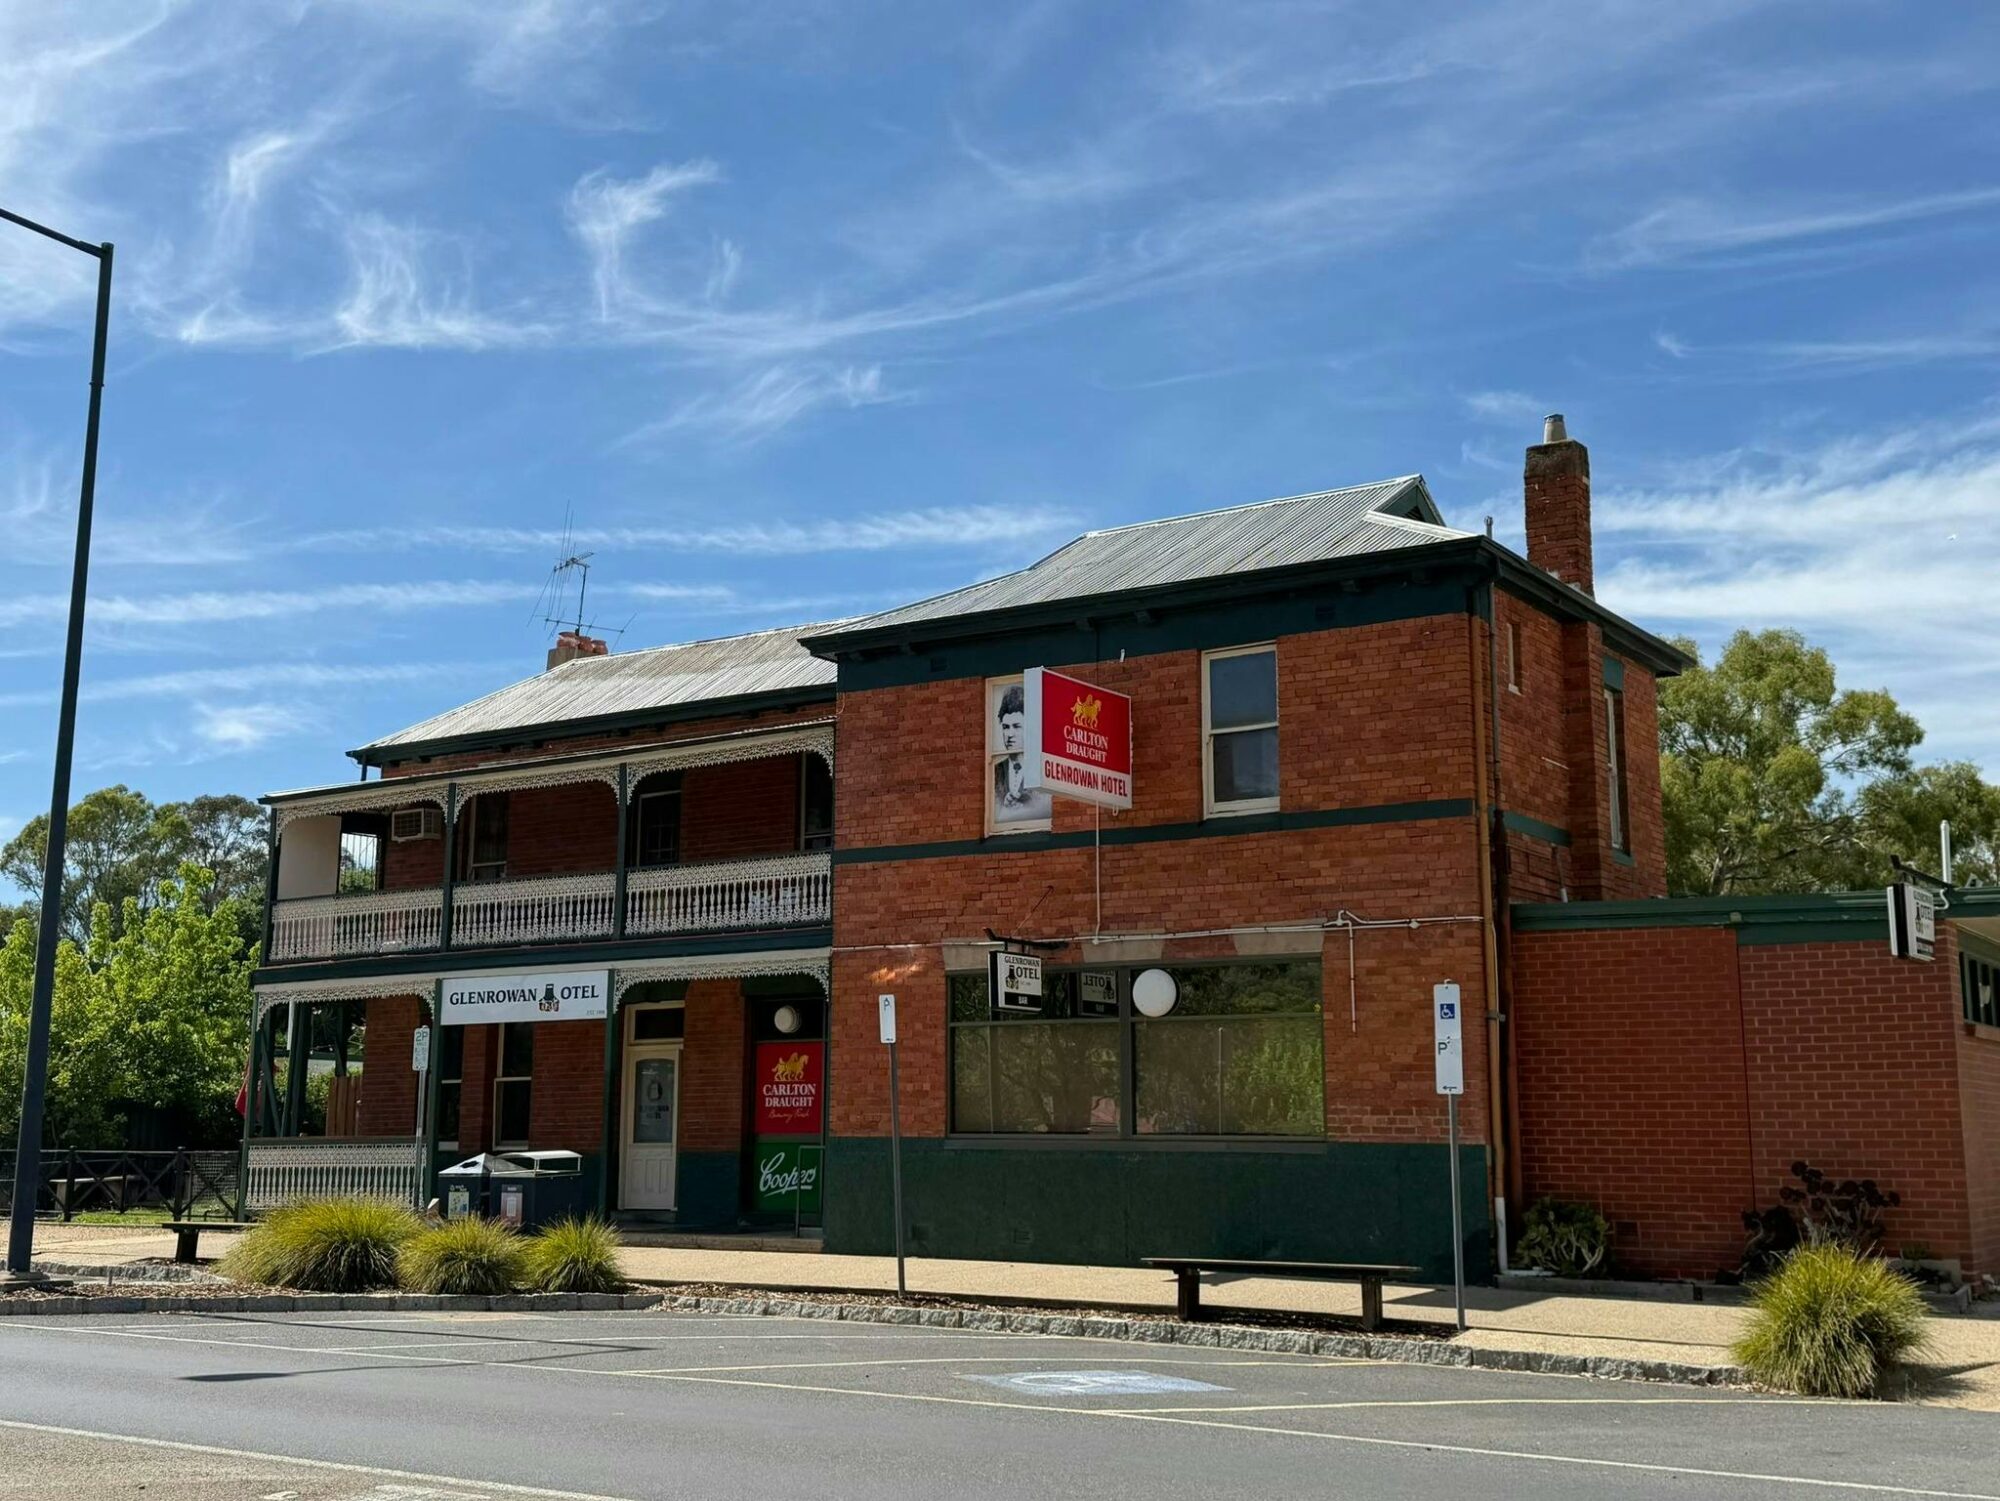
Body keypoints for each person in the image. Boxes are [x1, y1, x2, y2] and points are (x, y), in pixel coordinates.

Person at [991, 682, 1052, 826]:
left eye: (1017, 727)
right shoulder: (996, 770)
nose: (1010, 734)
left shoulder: (1043, 768)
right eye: (1005, 727)